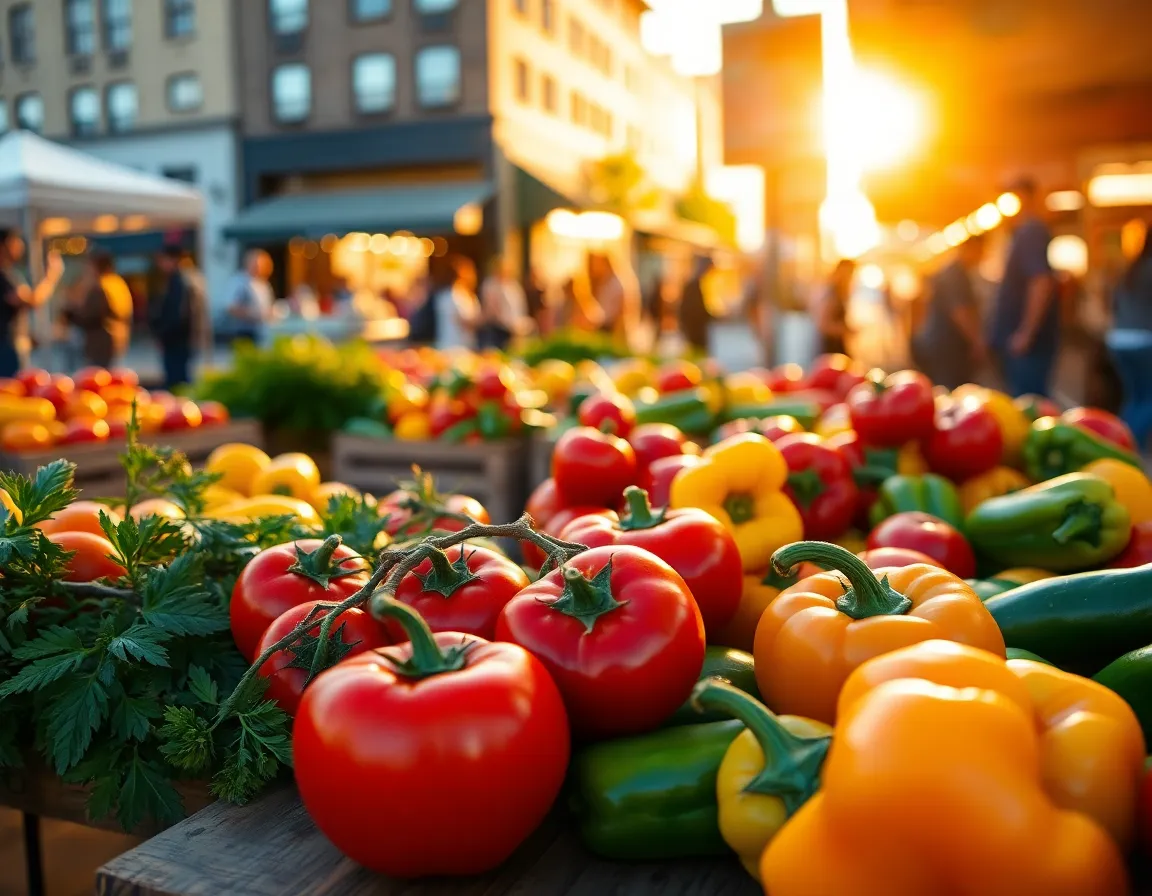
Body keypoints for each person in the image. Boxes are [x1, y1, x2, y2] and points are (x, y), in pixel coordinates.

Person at [988, 178, 1058, 397]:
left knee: (1029, 404)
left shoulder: (1031, 230)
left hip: (1025, 342)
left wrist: (1026, 332)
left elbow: (1040, 281)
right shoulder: (1021, 233)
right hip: (1018, 338)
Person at [911, 235, 988, 390]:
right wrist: (977, 341)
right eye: (980, 251)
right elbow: (960, 312)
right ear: (968, 249)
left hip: (939, 343)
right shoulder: (955, 274)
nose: (981, 256)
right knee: (949, 391)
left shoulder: (952, 271)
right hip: (945, 346)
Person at [1107, 227, 1152, 448]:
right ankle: (1128, 446)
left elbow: (1113, 304)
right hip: (1144, 341)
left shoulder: (1131, 268)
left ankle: (1118, 440)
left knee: (1135, 397)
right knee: (1148, 398)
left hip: (1118, 338)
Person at [0, 229, 64, 376]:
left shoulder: (8, 273)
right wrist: (52, 276)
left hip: (10, 345)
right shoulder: (3, 276)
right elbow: (32, 301)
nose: (21, 247)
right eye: (16, 242)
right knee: (10, 392)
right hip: (6, 347)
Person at [64, 251, 133, 368]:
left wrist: (71, 315)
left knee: (99, 377)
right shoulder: (117, 282)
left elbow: (92, 315)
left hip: (101, 341)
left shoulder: (101, 286)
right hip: (118, 336)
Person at [150, 246, 206, 389]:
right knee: (183, 381)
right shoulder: (191, 277)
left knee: (177, 384)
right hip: (184, 339)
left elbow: (178, 314)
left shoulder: (179, 281)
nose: (160, 264)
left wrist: (163, 335)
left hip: (176, 340)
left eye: (163, 260)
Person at [589, 251, 643, 350]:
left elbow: (622, 308)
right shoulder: (604, 281)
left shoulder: (616, 283)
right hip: (606, 326)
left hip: (615, 327)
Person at [479, 256, 532, 351]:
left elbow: (520, 307)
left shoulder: (513, 285)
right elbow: (491, 309)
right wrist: (507, 323)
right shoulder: (491, 285)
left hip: (515, 328)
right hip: (499, 329)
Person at [224, 250, 275, 344]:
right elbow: (231, 307)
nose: (259, 268)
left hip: (261, 331)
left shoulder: (263, 284)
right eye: (257, 265)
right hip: (243, 332)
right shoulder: (239, 282)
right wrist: (253, 314)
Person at [434, 256, 481, 351]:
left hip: (461, 346)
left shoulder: (450, 295)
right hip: (456, 348)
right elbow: (465, 322)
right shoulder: (455, 296)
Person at [815, 259, 856, 356]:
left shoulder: (839, 293)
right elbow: (824, 325)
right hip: (831, 347)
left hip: (837, 345)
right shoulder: (832, 294)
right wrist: (846, 330)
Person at [679, 255, 715, 354]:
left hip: (695, 329)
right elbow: (694, 310)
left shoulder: (695, 284)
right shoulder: (693, 285)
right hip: (695, 330)